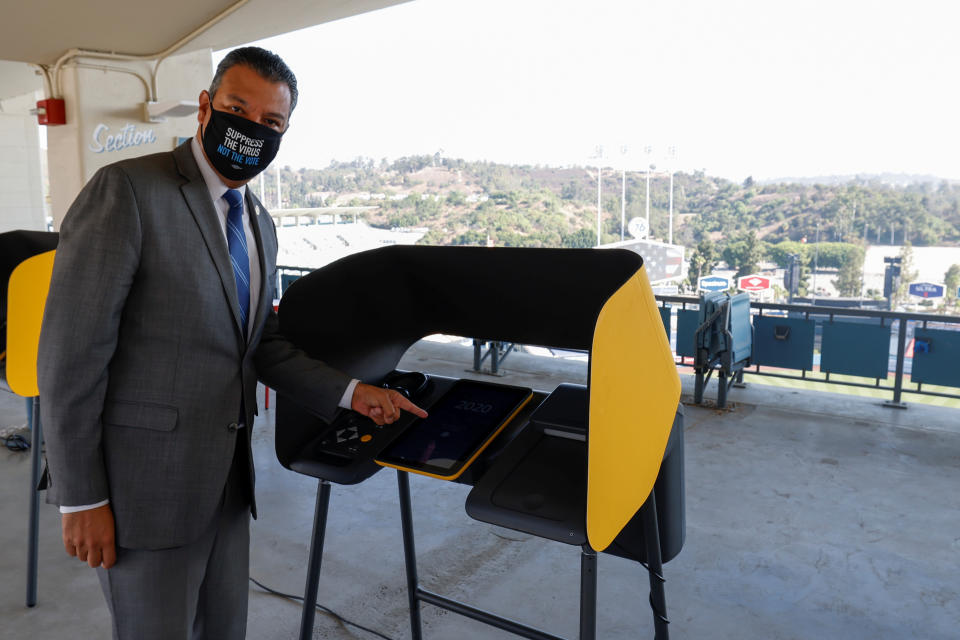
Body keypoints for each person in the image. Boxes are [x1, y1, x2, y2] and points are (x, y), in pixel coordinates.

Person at [37, 46, 426, 640]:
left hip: (225, 486)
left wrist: (350, 393)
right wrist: (80, 498)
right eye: (238, 109)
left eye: (271, 123)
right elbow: (70, 357)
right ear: (204, 107)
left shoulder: (259, 223)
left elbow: (259, 343)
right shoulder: (128, 192)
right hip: (142, 492)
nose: (252, 130)